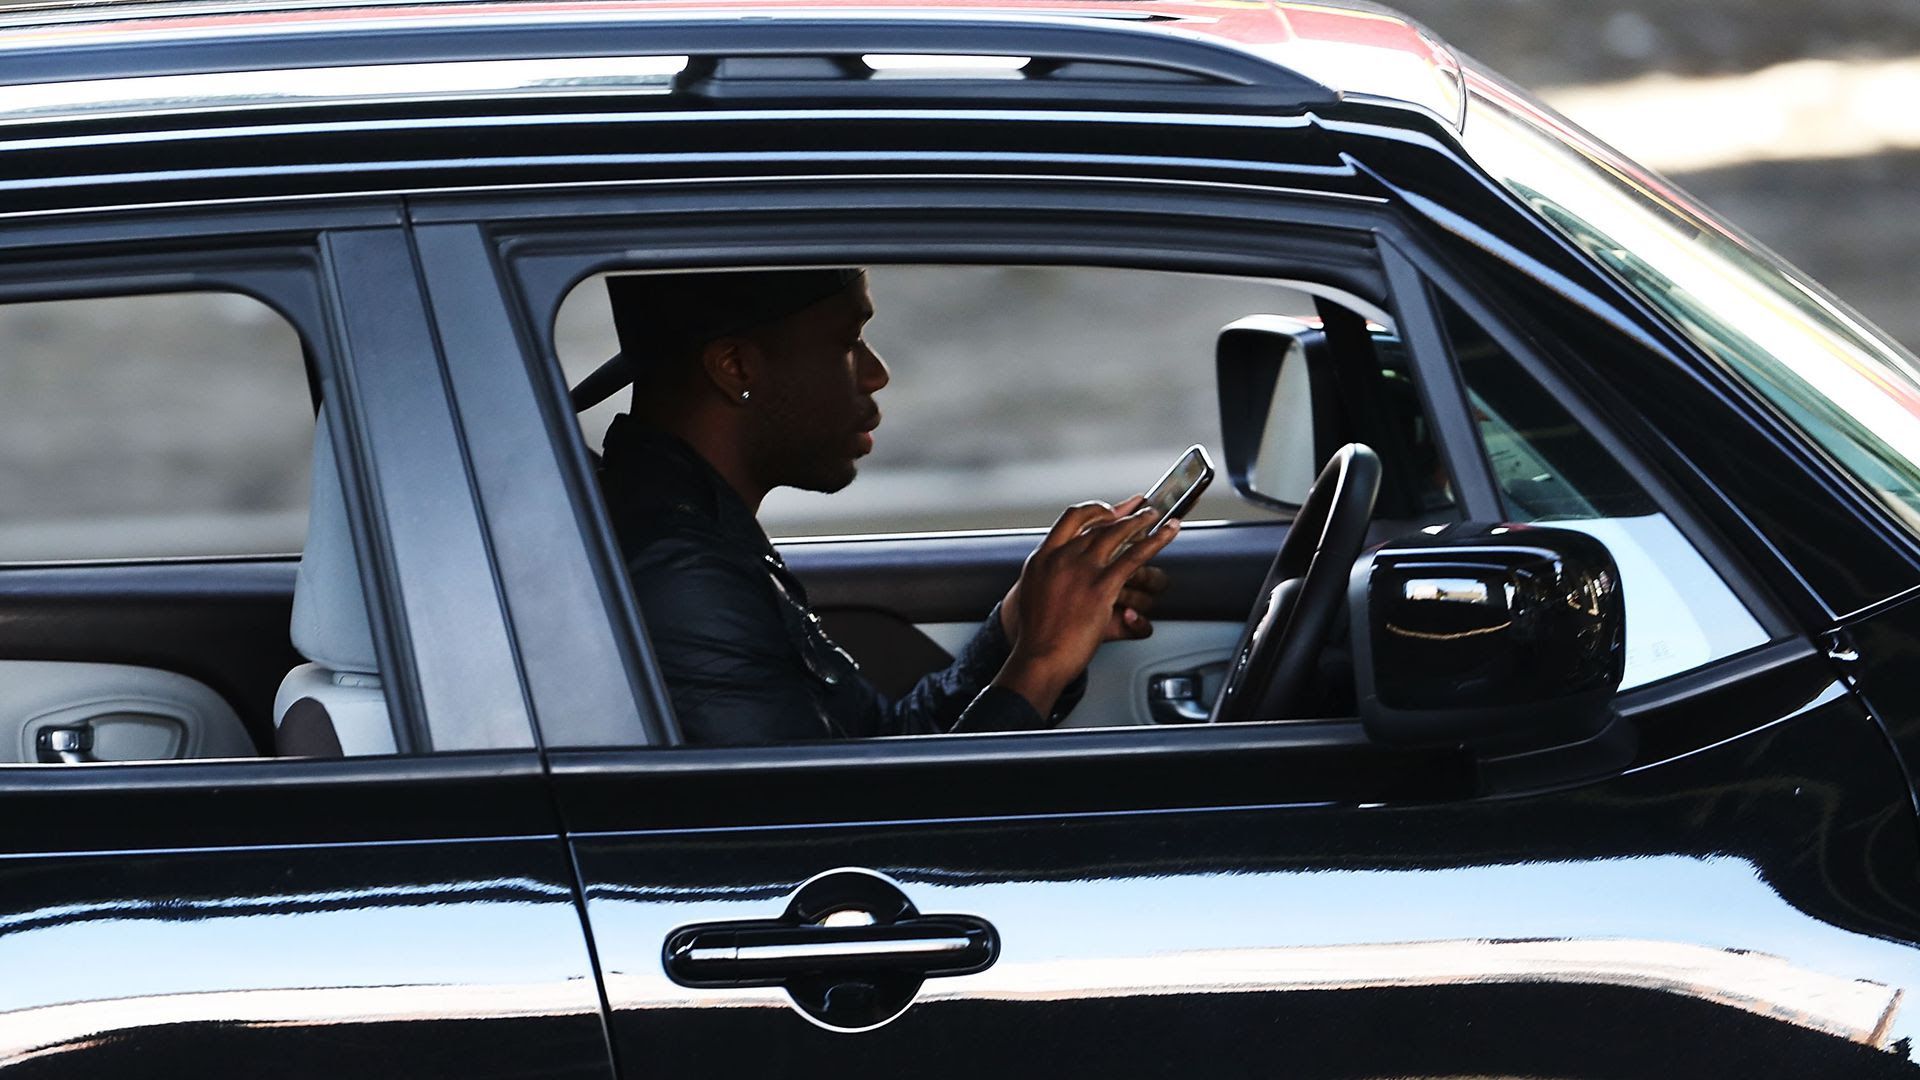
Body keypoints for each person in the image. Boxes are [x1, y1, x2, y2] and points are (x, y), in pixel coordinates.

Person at [596, 267, 1178, 745]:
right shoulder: (681, 579)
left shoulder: (702, 533)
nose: (876, 374)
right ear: (737, 368)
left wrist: (1020, 623)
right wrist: (1043, 661)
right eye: (848, 344)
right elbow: (847, 856)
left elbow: (883, 744)